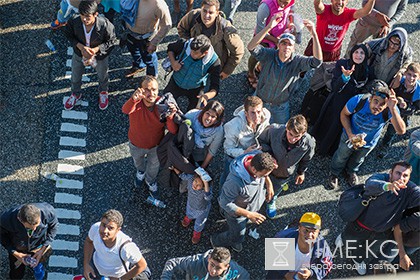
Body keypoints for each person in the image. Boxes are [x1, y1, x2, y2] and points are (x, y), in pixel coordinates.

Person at [337, 162, 419, 275]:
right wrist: (387, 186)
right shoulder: (382, 178)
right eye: (398, 173)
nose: (401, 178)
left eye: (405, 175)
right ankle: (344, 241)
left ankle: (357, 259)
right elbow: (370, 184)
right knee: (349, 240)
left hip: (382, 231)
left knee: (367, 248)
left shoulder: (410, 189)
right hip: (360, 225)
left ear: (409, 178)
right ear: (390, 173)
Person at [328, 80, 406, 190]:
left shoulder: (390, 109)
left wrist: (393, 108)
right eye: (375, 101)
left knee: (358, 159)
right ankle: (334, 173)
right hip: (349, 136)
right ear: (370, 99)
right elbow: (344, 114)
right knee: (341, 155)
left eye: (382, 104)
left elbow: (401, 131)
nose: (377, 106)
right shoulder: (358, 100)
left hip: (369, 142)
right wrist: (350, 134)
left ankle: (351, 172)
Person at [247, 13, 322, 124]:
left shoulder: (298, 61)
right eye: (283, 43)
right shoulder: (269, 55)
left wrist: (314, 34)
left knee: (280, 133)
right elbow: (251, 47)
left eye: (289, 45)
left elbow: (317, 62)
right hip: (260, 102)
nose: (286, 47)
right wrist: (268, 27)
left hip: (280, 107)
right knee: (253, 128)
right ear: (278, 45)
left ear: (293, 48)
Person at [311, 44, 374, 156]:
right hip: (337, 101)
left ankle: (329, 150)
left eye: (362, 53)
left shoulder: (368, 71)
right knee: (329, 124)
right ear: (351, 53)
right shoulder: (342, 64)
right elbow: (335, 86)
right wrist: (344, 77)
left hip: (352, 105)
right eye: (356, 52)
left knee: (340, 128)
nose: (358, 55)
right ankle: (317, 146)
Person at [122, 76, 178, 200]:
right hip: (136, 144)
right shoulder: (136, 103)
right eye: (147, 89)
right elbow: (125, 110)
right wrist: (133, 99)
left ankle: (150, 181)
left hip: (155, 146)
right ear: (140, 91)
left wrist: (170, 116)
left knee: (153, 167)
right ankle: (141, 172)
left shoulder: (163, 105)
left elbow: (173, 130)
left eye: (154, 89)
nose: (151, 93)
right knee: (138, 162)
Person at [211, 151, 277, 252]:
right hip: (238, 214)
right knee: (238, 234)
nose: (265, 177)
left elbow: (265, 173)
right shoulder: (234, 182)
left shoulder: (257, 157)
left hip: (248, 205)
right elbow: (225, 203)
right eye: (263, 176)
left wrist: (269, 185)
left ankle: (223, 214)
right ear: (254, 169)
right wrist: (249, 214)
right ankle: (217, 241)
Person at [63, 0, 117, 111]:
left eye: (88, 17)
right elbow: (68, 34)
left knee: (103, 75)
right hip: (79, 54)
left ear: (96, 14)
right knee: (75, 76)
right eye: (82, 16)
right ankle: (76, 93)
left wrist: (96, 49)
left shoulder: (105, 24)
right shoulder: (74, 21)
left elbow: (112, 41)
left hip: (99, 56)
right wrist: (81, 47)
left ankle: (103, 91)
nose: (85, 20)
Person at [259, 115, 316, 218]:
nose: (293, 139)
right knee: (259, 186)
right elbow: (261, 141)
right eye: (290, 134)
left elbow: (306, 159)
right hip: (265, 168)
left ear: (303, 134)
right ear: (286, 128)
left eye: (297, 136)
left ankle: (271, 199)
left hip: (284, 173)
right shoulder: (273, 130)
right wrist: (270, 156)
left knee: (276, 188)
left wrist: (301, 172)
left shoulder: (309, 143)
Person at [177, 0, 244, 81]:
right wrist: (190, 44)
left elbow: (238, 51)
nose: (206, 15)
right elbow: (181, 29)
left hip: (212, 65)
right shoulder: (193, 15)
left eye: (211, 12)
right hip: (193, 60)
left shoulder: (225, 28)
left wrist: (227, 71)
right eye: (204, 11)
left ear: (217, 13)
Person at [83, 209, 151, 280]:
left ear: (118, 230)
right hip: (99, 272)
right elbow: (88, 241)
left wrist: (121, 279)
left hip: (122, 275)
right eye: (103, 225)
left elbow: (142, 265)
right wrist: (86, 264)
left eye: (110, 228)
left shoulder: (127, 247)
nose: (105, 230)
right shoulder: (95, 228)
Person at [220, 96, 271, 186]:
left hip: (253, 154)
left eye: (259, 112)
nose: (257, 116)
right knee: (228, 178)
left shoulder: (266, 115)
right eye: (252, 113)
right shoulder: (232, 126)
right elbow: (227, 149)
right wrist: (244, 152)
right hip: (235, 157)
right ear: (245, 113)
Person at [266, 212, 333, 280]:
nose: (309, 235)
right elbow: (272, 258)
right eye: (306, 230)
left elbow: (326, 266)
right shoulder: (283, 238)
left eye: (313, 231)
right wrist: (285, 274)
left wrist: (311, 273)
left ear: (318, 232)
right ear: (299, 228)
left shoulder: (322, 246)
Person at [247, 0, 297, 89]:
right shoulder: (265, 7)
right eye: (281, 1)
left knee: (270, 57)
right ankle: (250, 72)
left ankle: (260, 67)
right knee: (255, 56)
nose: (283, 5)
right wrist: (276, 41)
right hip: (265, 38)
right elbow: (259, 31)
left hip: (278, 37)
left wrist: (291, 22)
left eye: (286, 3)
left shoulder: (290, 2)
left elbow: (291, 9)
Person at [0, 203, 58, 279]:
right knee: (16, 273)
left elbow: (54, 226)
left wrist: (43, 248)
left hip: (39, 246)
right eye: (29, 228)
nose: (34, 230)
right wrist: (15, 253)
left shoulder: (48, 212)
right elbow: (2, 236)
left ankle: (38, 266)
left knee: (39, 261)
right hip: (19, 250)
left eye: (37, 226)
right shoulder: (6, 219)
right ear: (19, 219)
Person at [164, 34, 221, 111]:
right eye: (191, 50)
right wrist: (173, 63)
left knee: (193, 113)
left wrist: (206, 96)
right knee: (164, 104)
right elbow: (170, 48)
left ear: (205, 53)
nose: (191, 54)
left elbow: (215, 86)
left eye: (195, 53)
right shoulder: (185, 44)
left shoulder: (214, 62)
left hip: (195, 88)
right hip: (175, 82)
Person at [304, 0, 375, 62]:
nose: (340, 2)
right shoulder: (324, 10)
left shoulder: (348, 14)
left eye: (343, 0)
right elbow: (317, 4)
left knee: (327, 74)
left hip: (333, 52)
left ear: (347, 2)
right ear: (331, 0)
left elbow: (365, 11)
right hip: (316, 48)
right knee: (305, 71)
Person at [378, 62, 420, 151]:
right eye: (409, 74)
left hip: (402, 114)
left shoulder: (418, 93)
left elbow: (416, 109)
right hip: (388, 108)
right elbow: (387, 92)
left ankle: (384, 145)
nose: (411, 78)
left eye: (414, 76)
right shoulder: (398, 81)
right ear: (405, 73)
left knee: (391, 131)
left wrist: (406, 107)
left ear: (418, 77)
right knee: (379, 123)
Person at [124, 0, 171, 78]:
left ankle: (151, 77)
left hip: (146, 38)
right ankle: (139, 65)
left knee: (149, 59)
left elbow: (166, 25)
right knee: (134, 51)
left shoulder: (159, 5)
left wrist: (154, 43)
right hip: (130, 33)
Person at [171, 166, 212, 244]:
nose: (195, 185)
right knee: (189, 213)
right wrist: (174, 169)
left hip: (202, 210)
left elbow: (208, 197)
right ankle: (189, 218)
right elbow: (182, 175)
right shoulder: (191, 179)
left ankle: (197, 232)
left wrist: (206, 183)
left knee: (200, 222)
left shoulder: (206, 191)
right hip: (190, 204)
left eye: (199, 185)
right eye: (195, 181)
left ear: (204, 187)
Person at [161, 247, 249, 279]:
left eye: (218, 268)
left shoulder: (234, 270)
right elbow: (172, 263)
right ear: (209, 258)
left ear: (226, 267)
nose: (213, 271)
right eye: (212, 265)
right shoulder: (195, 262)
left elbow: (245, 276)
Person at [184, 100, 225, 169]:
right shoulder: (191, 115)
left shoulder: (219, 131)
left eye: (213, 117)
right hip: (183, 148)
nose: (209, 118)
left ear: (217, 119)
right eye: (207, 113)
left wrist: (202, 169)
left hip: (199, 154)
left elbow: (211, 152)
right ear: (203, 112)